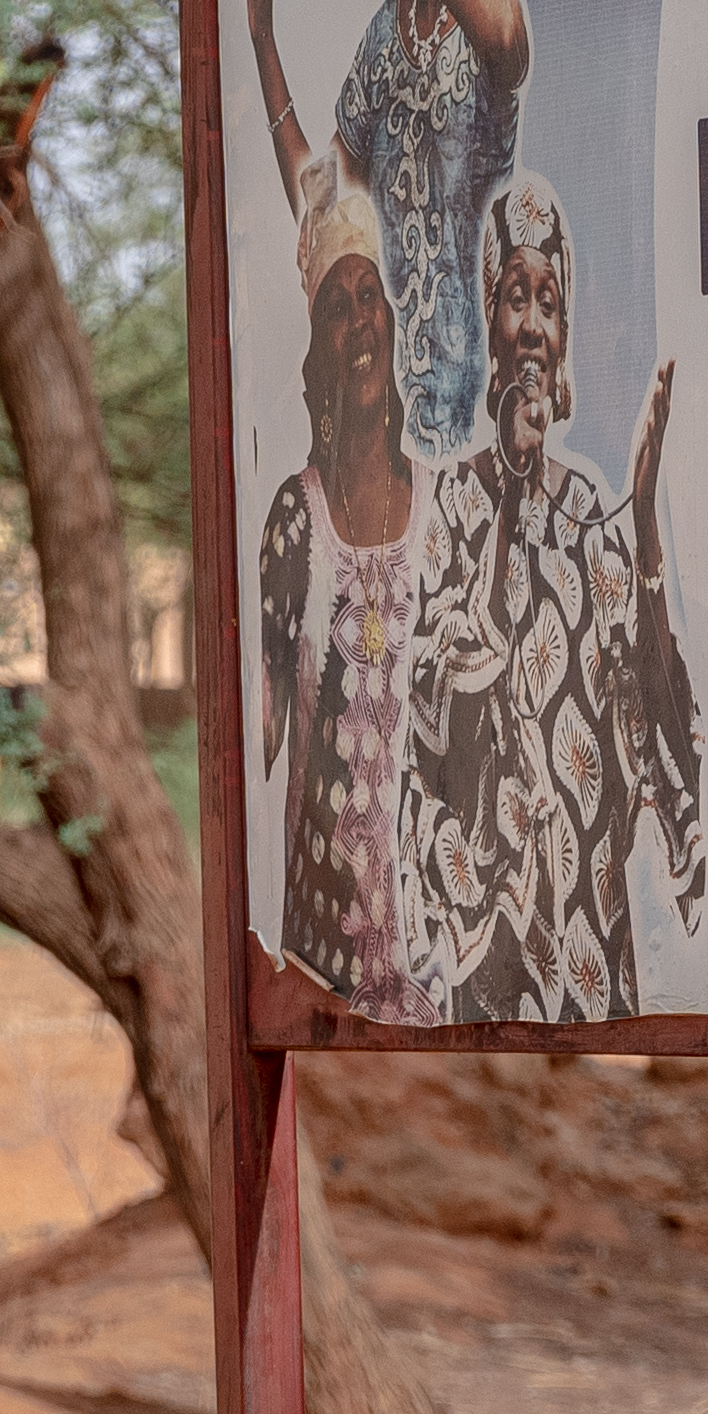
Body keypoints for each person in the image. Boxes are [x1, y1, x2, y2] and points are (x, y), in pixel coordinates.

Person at [407, 175, 706, 1020]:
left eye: (548, 300)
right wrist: (508, 496)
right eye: (513, 296)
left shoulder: (591, 509)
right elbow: (443, 721)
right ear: (489, 322)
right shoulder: (456, 507)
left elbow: (659, 720)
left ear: (565, 333)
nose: (532, 323)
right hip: (499, 982)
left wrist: (643, 522)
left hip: (599, 970)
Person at [241, 0, 528, 455]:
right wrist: (263, 36)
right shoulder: (382, 40)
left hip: (481, 431)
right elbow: (321, 199)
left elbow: (505, 38)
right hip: (397, 436)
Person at [253, 168, 442, 1017]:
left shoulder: (443, 514)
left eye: (372, 297)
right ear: (318, 345)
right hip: (322, 967)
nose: (360, 318)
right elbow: (260, 736)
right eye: (338, 304)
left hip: (438, 971)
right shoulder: (297, 518)